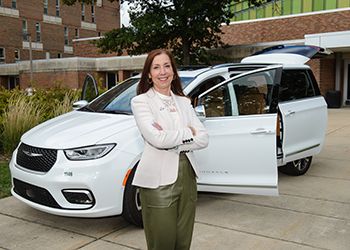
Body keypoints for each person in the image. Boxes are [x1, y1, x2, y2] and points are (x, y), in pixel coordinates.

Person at [131, 49, 209, 250]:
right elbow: (157, 139)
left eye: (167, 66)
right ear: (148, 74)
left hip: (188, 176)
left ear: (173, 72)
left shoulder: (184, 102)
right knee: (162, 243)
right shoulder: (141, 102)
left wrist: (172, 137)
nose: (162, 72)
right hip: (158, 181)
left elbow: (203, 139)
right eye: (156, 67)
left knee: (183, 242)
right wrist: (188, 132)